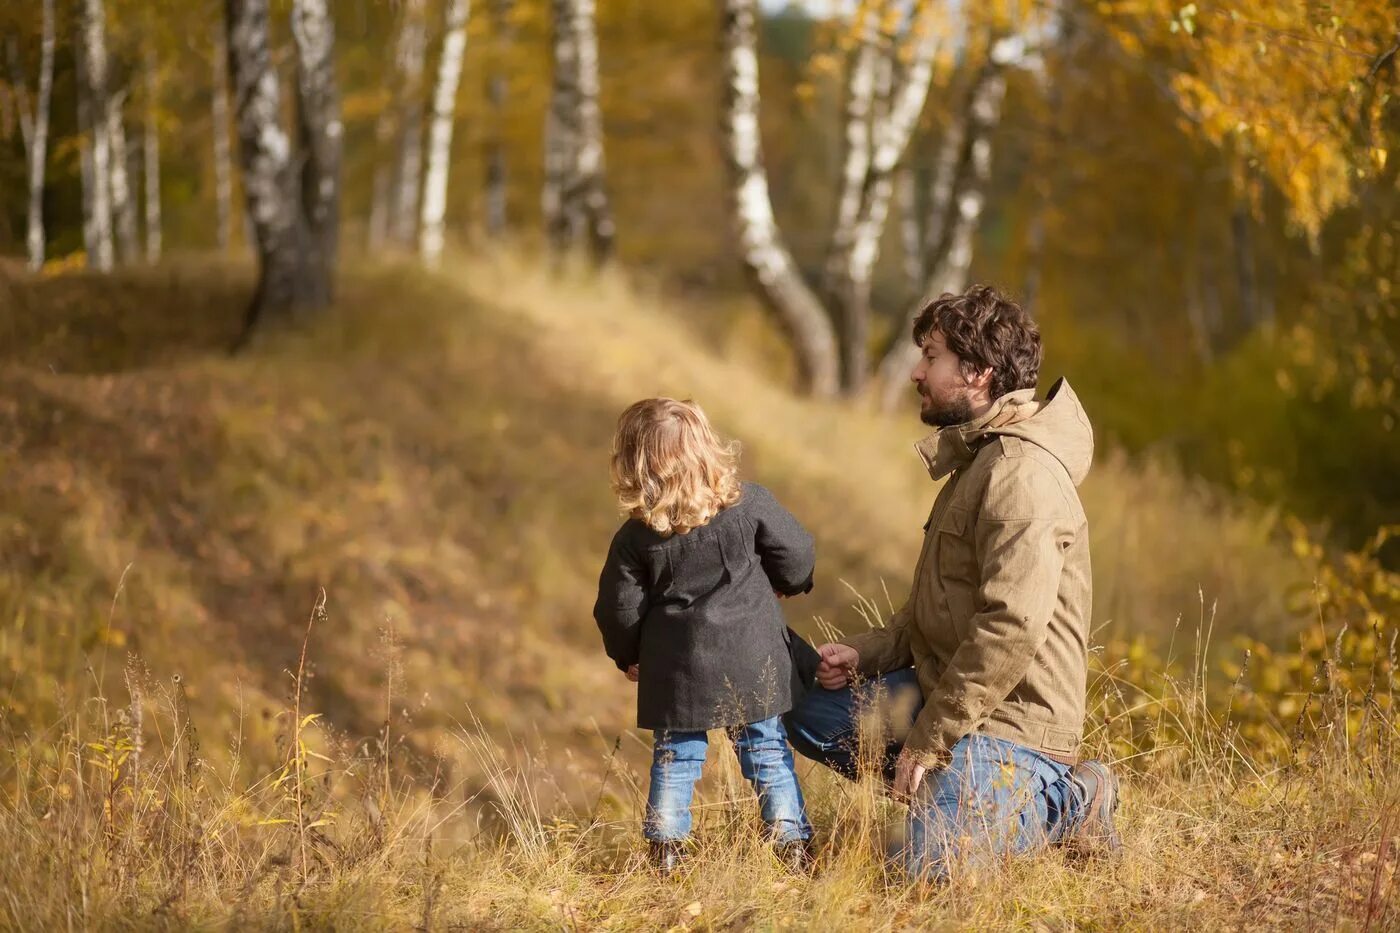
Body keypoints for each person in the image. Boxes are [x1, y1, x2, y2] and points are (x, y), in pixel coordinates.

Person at [783, 285, 1121, 881]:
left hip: (1014, 726)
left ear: (979, 372)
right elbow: (938, 611)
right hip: (947, 696)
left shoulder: (1022, 476)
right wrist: (865, 653)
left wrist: (929, 740)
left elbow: (1008, 627)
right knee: (806, 707)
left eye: (931, 356)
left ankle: (1072, 800)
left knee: (925, 866)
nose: (917, 371)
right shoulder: (978, 461)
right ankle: (948, 791)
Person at [593, 397, 817, 872]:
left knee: (676, 757)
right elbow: (796, 550)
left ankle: (666, 850)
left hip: (679, 671)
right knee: (767, 752)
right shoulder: (749, 503)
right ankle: (791, 846)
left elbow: (618, 608)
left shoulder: (636, 539)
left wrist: (628, 655)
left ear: (636, 467)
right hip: (753, 661)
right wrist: (788, 584)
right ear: (708, 450)